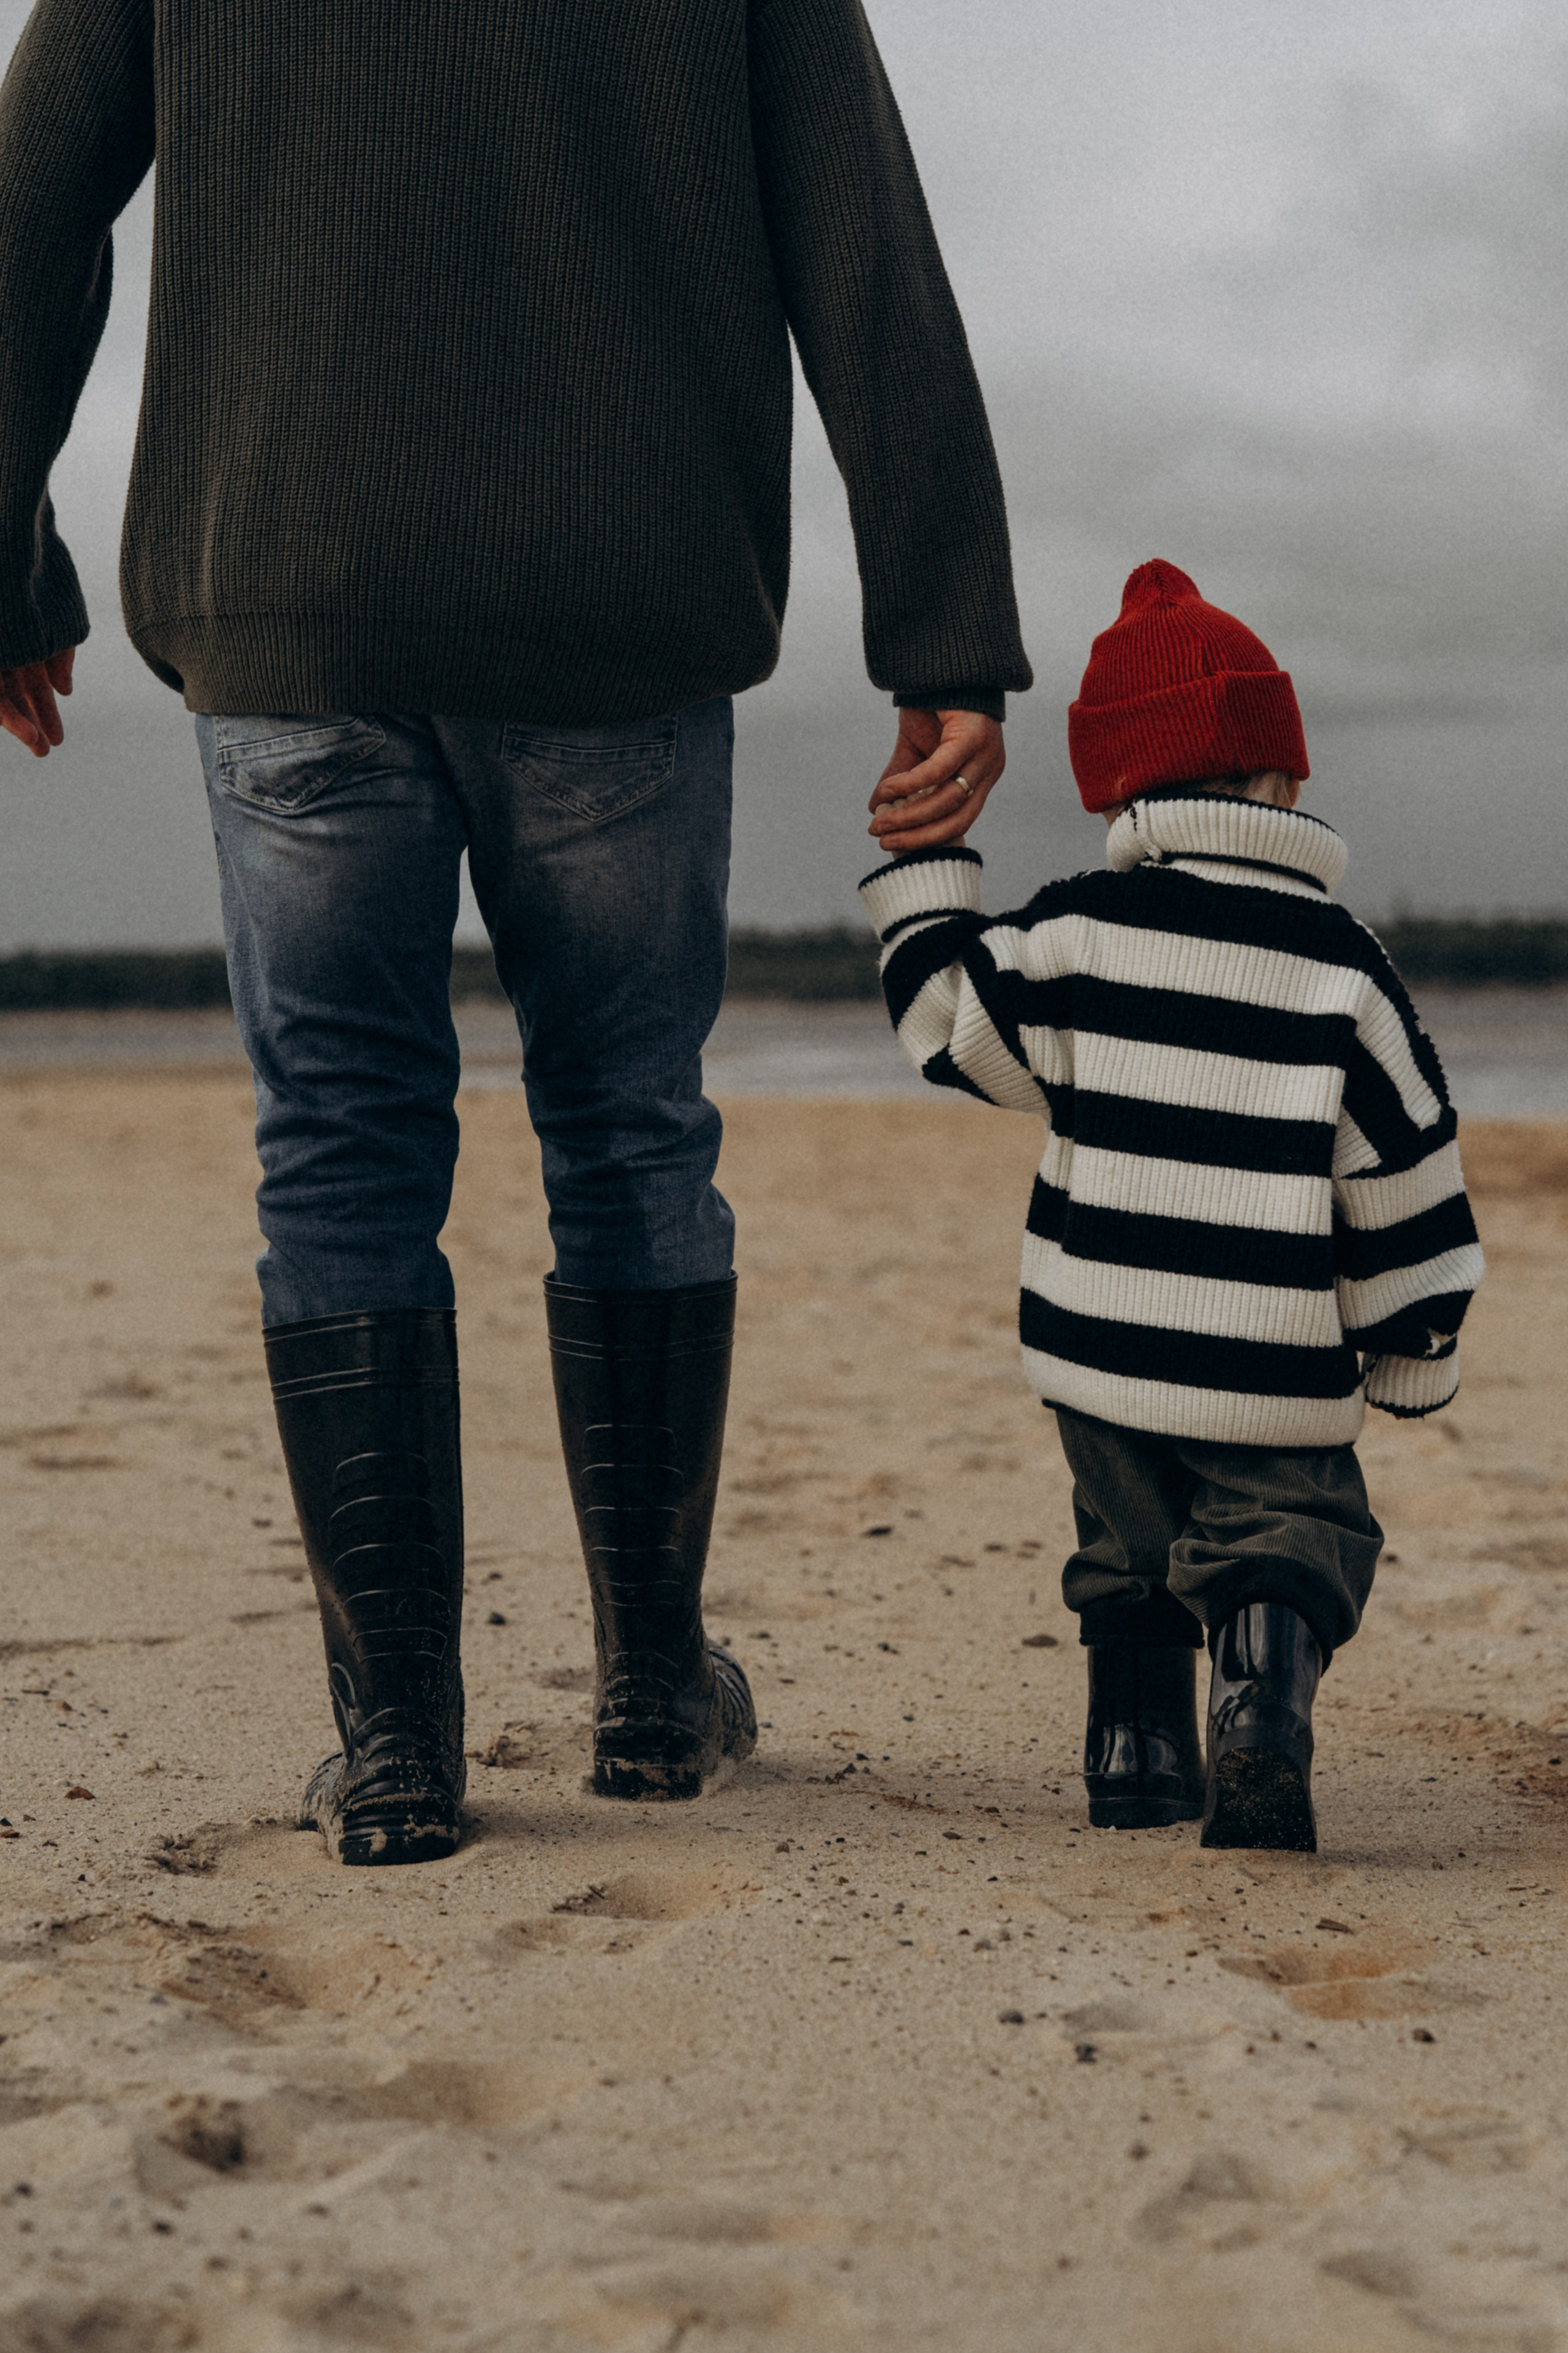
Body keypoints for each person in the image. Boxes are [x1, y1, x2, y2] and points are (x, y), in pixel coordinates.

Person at [0, 0, 1031, 1864]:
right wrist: (944, 619)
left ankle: (397, 1743)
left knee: (338, 1147)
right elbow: (861, 235)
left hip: (289, 587)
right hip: (614, 597)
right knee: (629, 1124)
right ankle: (649, 1693)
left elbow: (27, 197)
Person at [859, 560, 1483, 1851]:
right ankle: (1253, 1719)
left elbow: (948, 1024)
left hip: (1095, 1358)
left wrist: (928, 858)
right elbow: (1402, 1168)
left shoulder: (1074, 935)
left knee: (1124, 1550)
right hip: (1264, 1365)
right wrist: (1408, 1346)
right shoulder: (1342, 968)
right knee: (1287, 1532)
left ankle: (1133, 1752)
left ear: (1118, 787)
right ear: (1285, 779)